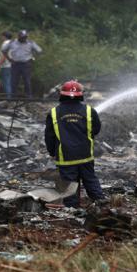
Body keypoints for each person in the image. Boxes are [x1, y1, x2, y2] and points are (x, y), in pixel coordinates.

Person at [44, 80, 103, 208]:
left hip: (65, 157)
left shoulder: (54, 113)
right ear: (80, 95)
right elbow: (96, 129)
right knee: (90, 180)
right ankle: (101, 204)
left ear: (62, 95)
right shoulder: (89, 111)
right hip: (85, 155)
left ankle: (73, 211)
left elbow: (49, 136)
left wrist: (52, 152)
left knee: (69, 185)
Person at [2, 30, 42, 98]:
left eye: (25, 37)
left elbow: (39, 50)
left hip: (26, 64)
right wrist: (9, 59)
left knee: (27, 80)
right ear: (19, 37)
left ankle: (29, 96)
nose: (24, 39)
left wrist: (33, 57)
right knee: (14, 81)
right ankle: (13, 96)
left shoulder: (30, 43)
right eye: (22, 37)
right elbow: (3, 50)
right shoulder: (12, 42)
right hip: (15, 63)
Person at [0, 31, 13, 98]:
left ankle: (8, 98)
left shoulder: (5, 44)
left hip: (5, 65)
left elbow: (3, 56)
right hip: (12, 65)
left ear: (4, 36)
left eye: (2, 36)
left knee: (6, 82)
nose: (1, 37)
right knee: (9, 82)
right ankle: (10, 97)